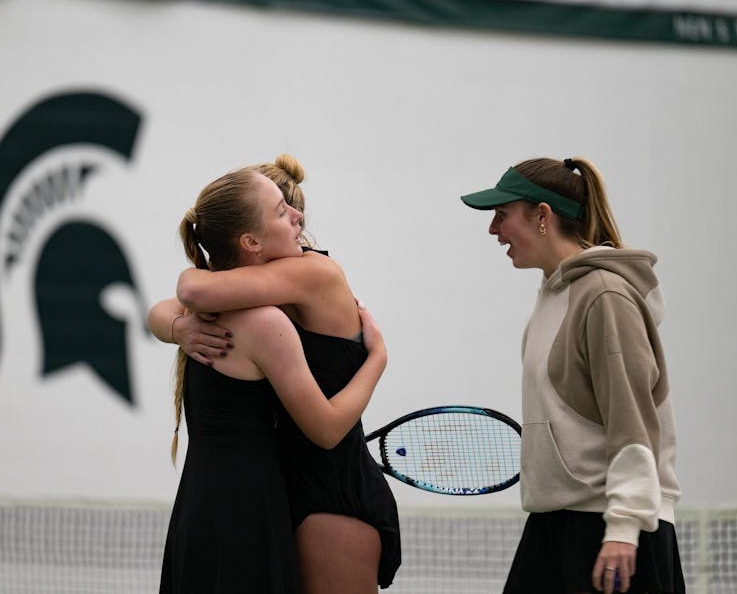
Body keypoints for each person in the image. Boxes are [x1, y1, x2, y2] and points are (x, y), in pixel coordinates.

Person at [149, 155, 401, 593]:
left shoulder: (311, 273)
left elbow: (192, 289)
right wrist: (178, 327)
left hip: (330, 490)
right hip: (279, 489)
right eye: (281, 210)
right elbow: (178, 300)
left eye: (288, 207)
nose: (297, 217)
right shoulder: (256, 298)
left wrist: (377, 358)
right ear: (250, 239)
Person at [460, 157, 684, 594]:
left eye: (502, 215)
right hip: (558, 526)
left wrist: (622, 528)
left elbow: (631, 419)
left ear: (542, 216)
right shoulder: (554, 293)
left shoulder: (604, 295)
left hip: (613, 534)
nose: (493, 230)